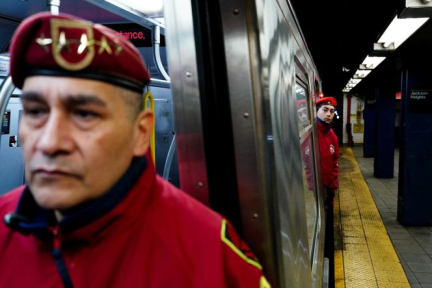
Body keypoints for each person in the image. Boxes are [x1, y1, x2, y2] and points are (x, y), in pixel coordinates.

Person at [0, 12, 271, 288]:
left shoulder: (209, 254)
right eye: (34, 111)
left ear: (141, 132)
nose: (49, 142)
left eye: (84, 114)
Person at [316, 96, 339, 288]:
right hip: (312, 194)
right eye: (324, 110)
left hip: (326, 194)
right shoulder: (311, 135)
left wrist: (332, 188)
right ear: (316, 111)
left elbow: (335, 165)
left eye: (331, 111)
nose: (328, 114)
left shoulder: (332, 136)